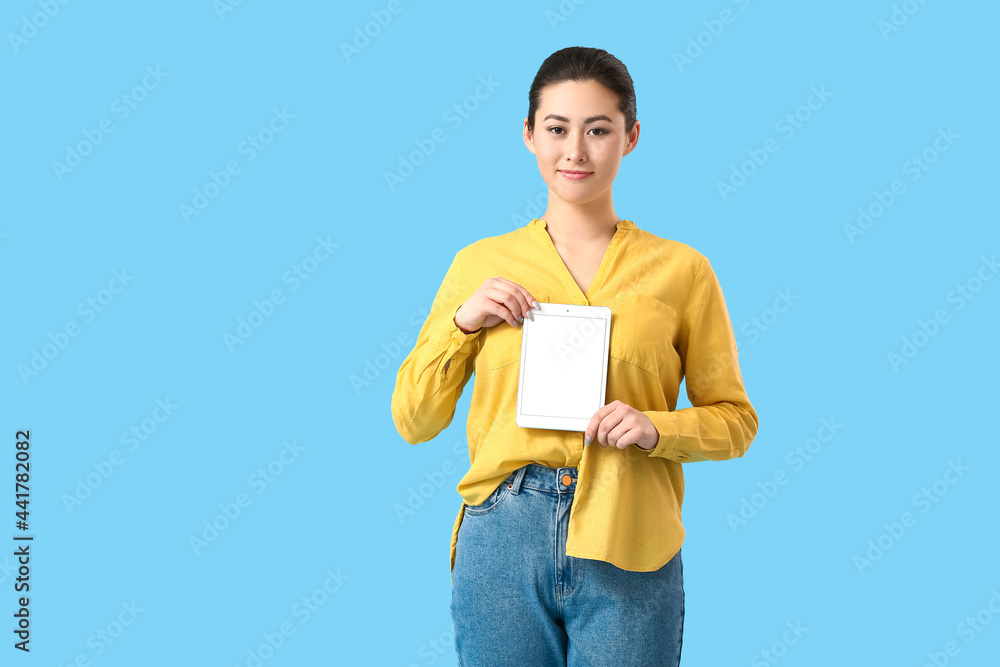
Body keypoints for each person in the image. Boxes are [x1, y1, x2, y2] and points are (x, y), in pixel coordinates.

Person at [391, 46, 758, 667]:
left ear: (631, 137)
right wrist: (462, 324)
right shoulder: (479, 266)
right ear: (529, 135)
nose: (576, 152)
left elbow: (736, 421)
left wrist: (657, 428)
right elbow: (414, 420)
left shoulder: (683, 271)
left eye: (598, 130)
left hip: (631, 536)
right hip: (503, 536)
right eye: (557, 129)